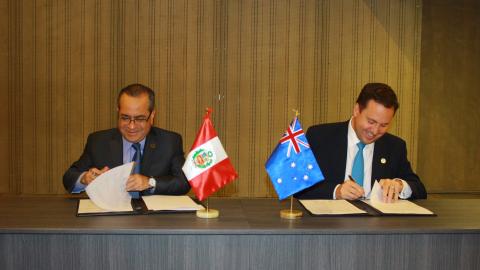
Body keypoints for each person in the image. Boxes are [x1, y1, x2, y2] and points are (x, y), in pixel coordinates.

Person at [296, 83, 427, 202]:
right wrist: (336, 191)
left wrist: (399, 185)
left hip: (377, 226)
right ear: (357, 110)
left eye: (384, 125)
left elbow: (419, 189)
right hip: (329, 225)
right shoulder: (320, 136)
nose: (375, 131)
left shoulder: (394, 146)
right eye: (371, 122)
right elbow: (298, 185)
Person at [63, 83, 190, 197]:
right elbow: (69, 177)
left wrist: (149, 182)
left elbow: (183, 183)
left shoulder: (170, 141)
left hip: (153, 219)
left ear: (152, 116)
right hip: (111, 218)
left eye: (140, 119)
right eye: (125, 118)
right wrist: (85, 178)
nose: (131, 126)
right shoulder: (98, 141)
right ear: (118, 113)